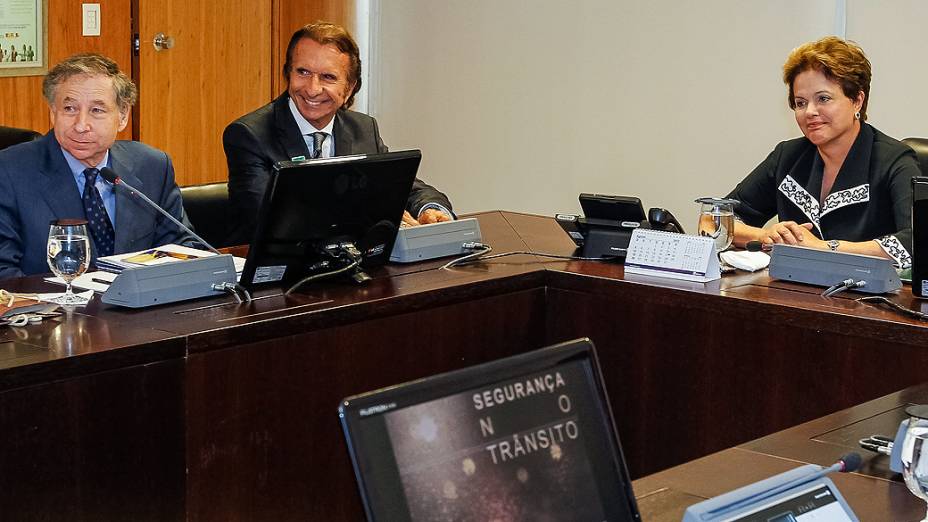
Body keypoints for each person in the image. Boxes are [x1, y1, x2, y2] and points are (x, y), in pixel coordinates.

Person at [223, 21, 453, 246]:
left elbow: (403, 187)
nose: (312, 89)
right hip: (272, 273)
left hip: (346, 267)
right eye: (303, 72)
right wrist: (374, 216)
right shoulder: (249, 135)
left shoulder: (363, 128)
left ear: (350, 87)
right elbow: (268, 220)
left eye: (328, 77)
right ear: (288, 74)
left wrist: (430, 208)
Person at [726, 36, 919, 268]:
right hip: (793, 293)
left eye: (823, 99)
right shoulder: (788, 156)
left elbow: (917, 241)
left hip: (867, 299)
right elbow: (715, 220)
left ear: (857, 100)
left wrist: (824, 248)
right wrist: (768, 237)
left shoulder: (894, 160)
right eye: (800, 103)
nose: (810, 112)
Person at [0, 53, 194, 279]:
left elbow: (181, 248)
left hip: (139, 308)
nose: (81, 125)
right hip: (54, 310)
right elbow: (4, 273)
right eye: (69, 109)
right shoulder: (10, 171)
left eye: (97, 110)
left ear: (122, 117)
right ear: (53, 113)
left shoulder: (152, 166)